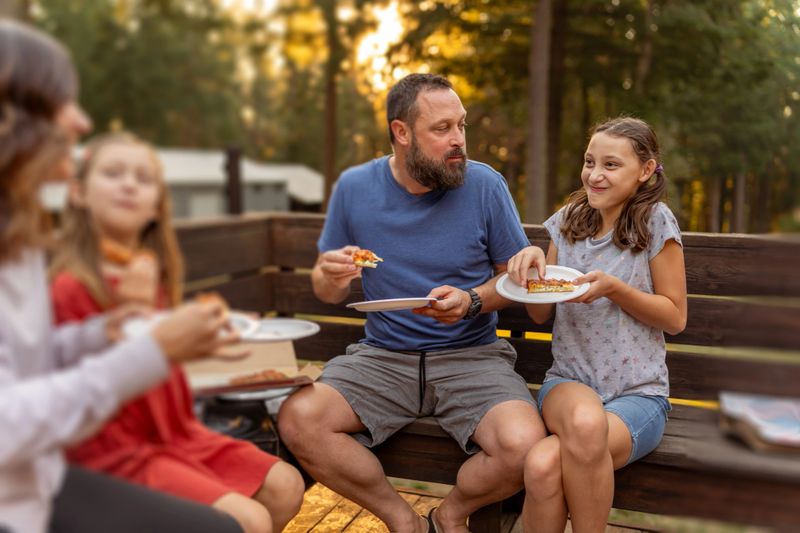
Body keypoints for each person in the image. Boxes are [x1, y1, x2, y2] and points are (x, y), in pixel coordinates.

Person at [0, 20, 243, 533]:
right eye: (59, 102)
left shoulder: (16, 236)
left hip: (34, 478)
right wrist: (151, 351)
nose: (82, 121)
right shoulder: (62, 276)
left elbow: (22, 363)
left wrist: (97, 336)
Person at [278, 73, 548, 533]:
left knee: (524, 445)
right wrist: (328, 275)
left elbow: (513, 280)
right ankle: (404, 522)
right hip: (383, 357)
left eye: (461, 126)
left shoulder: (485, 186)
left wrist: (471, 301)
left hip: (472, 356)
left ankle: (448, 516)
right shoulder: (355, 188)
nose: (458, 140)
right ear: (401, 133)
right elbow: (331, 290)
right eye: (442, 129)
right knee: (299, 417)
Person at [49, 132, 305, 533]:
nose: (129, 184)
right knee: (249, 520)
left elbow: (164, 361)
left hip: (175, 430)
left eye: (143, 178)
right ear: (78, 193)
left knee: (286, 485)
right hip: (109, 450)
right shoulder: (70, 288)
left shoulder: (151, 275)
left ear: (156, 205)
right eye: (113, 173)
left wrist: (207, 338)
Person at [506, 117, 687, 532]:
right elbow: (540, 313)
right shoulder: (567, 222)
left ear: (645, 171)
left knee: (542, 462)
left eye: (610, 165)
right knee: (584, 423)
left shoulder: (656, 222)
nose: (595, 174)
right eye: (590, 162)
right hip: (568, 383)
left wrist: (615, 289)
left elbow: (675, 317)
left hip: (638, 395)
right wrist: (532, 278)